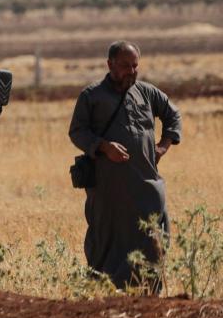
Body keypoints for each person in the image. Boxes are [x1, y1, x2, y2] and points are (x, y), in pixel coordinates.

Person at [69, 41, 182, 292]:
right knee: (107, 242)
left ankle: (148, 293)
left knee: (154, 235)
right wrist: (103, 146)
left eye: (135, 66)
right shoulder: (92, 96)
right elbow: (77, 132)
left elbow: (173, 115)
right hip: (109, 189)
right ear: (110, 65)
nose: (131, 71)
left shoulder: (146, 92)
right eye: (125, 66)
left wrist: (163, 145)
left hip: (146, 185)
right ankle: (107, 292)